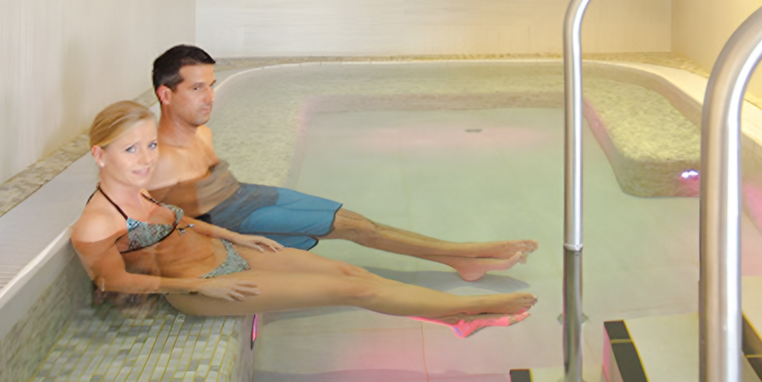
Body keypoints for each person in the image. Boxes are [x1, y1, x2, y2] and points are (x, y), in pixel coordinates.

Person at [71, 101, 536, 336]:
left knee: (350, 271)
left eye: (150, 145)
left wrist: (235, 235)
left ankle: (456, 316)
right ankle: (470, 312)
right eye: (131, 149)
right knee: (354, 289)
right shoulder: (96, 222)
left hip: (230, 253)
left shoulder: (142, 189)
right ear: (99, 154)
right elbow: (116, 283)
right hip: (201, 283)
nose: (145, 157)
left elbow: (178, 222)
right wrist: (198, 287)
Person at [146, 45, 537, 281]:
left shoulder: (201, 133)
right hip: (231, 220)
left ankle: (461, 259)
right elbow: (155, 223)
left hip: (249, 194)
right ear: (166, 94)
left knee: (360, 221)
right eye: (197, 88)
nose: (210, 97)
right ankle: (472, 251)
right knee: (358, 229)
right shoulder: (158, 158)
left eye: (211, 85)